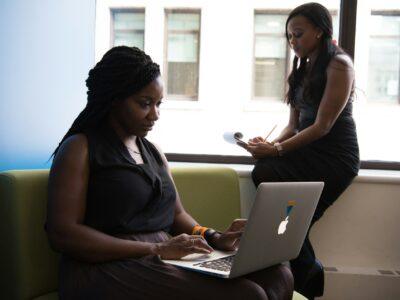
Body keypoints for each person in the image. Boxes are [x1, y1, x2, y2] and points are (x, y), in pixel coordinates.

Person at [46, 46, 293, 300]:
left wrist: (213, 236)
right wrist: (156, 248)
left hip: (161, 256)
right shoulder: (80, 148)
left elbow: (177, 215)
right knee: (247, 295)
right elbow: (63, 233)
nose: (155, 115)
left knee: (278, 275)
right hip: (104, 267)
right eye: (145, 104)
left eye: (158, 104)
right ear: (114, 99)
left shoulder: (153, 152)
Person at [239, 3, 360, 300]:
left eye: (298, 35)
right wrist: (266, 146)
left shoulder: (339, 65)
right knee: (271, 185)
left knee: (289, 220)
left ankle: (305, 277)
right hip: (307, 152)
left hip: (335, 157)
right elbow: (293, 124)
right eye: (289, 37)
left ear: (319, 31)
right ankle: (308, 275)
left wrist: (276, 150)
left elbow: (322, 126)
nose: (293, 42)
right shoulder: (302, 67)